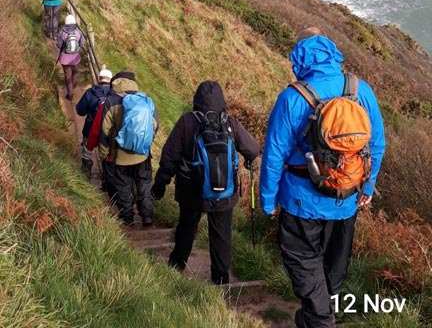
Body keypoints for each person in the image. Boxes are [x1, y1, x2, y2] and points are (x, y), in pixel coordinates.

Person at [259, 28, 386, 328]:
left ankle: (319, 320)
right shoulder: (360, 90)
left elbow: (274, 155)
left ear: (299, 58)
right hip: (346, 198)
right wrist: (368, 184)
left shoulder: (293, 97)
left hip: (301, 201)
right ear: (333, 53)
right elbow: (376, 143)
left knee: (303, 260)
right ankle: (319, 313)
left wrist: (268, 201)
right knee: (334, 262)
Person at [151, 80, 260, 285]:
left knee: (186, 229)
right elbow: (253, 149)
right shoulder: (230, 123)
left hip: (191, 192)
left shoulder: (187, 122)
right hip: (225, 194)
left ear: (196, 100)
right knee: (221, 236)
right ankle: (220, 279)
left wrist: (160, 184)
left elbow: (169, 157)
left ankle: (176, 269)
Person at [99, 70, 158, 226]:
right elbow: (154, 126)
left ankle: (127, 217)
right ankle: (147, 216)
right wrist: (143, 143)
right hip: (143, 154)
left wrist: (104, 154)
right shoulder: (145, 100)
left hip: (120, 157)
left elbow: (104, 130)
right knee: (144, 184)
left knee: (124, 186)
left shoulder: (111, 101)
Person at [75, 67, 113, 179]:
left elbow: (80, 111)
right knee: (107, 152)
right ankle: (106, 177)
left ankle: (86, 171)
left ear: (99, 78)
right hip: (108, 130)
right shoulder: (115, 96)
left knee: (87, 150)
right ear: (111, 80)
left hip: (90, 127)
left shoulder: (90, 93)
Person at [56, 14, 85, 101]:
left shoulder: (63, 33)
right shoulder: (78, 32)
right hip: (75, 58)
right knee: (75, 72)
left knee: (67, 75)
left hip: (65, 58)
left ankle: (70, 94)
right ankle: (74, 84)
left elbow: (59, 45)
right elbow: (82, 44)